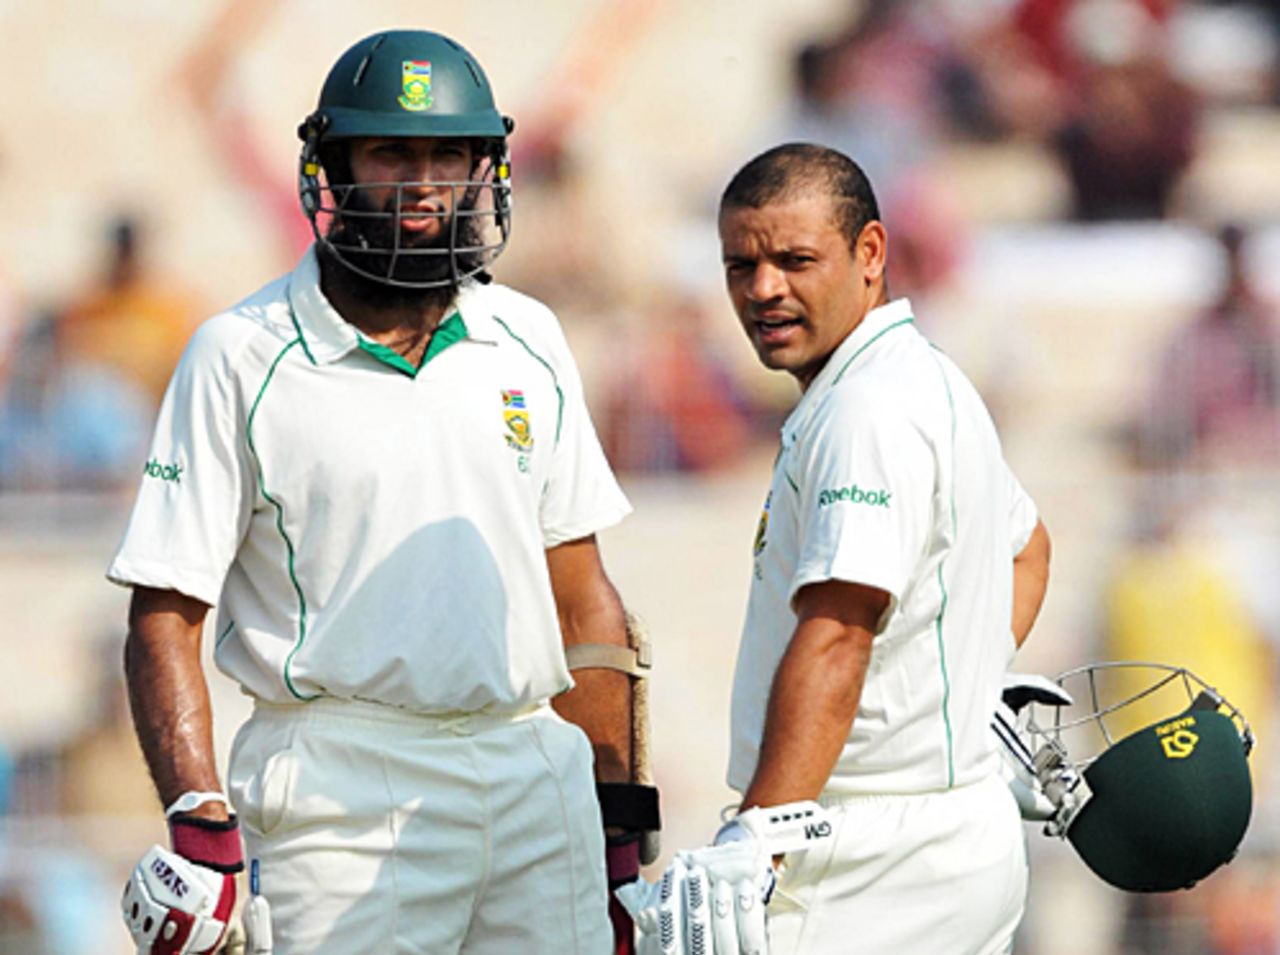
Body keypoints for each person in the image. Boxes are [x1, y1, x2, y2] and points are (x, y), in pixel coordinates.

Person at [110, 29, 648, 955]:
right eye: (391, 152)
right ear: (334, 167)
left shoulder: (530, 337)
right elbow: (166, 613)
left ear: (487, 167)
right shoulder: (239, 355)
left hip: (535, 777)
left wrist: (620, 827)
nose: (423, 182)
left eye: (449, 154)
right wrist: (201, 824)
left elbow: (583, 597)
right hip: (339, 790)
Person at [624, 143, 1051, 954]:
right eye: (740, 264)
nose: (763, 289)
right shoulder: (926, 378)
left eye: (795, 259)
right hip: (955, 832)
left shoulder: (867, 412)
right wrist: (952, 700)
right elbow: (1028, 549)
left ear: (870, 254)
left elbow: (840, 633)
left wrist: (759, 840)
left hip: (866, 853)